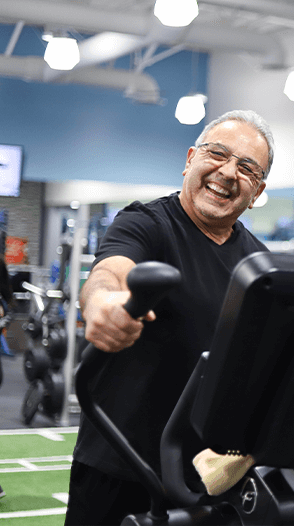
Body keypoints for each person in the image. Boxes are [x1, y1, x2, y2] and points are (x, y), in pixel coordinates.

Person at [64, 109, 274, 526]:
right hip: (119, 462)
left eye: (247, 168)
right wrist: (105, 304)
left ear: (258, 190)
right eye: (218, 154)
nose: (228, 172)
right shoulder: (146, 224)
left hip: (204, 476)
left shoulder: (260, 263)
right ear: (191, 158)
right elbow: (110, 272)